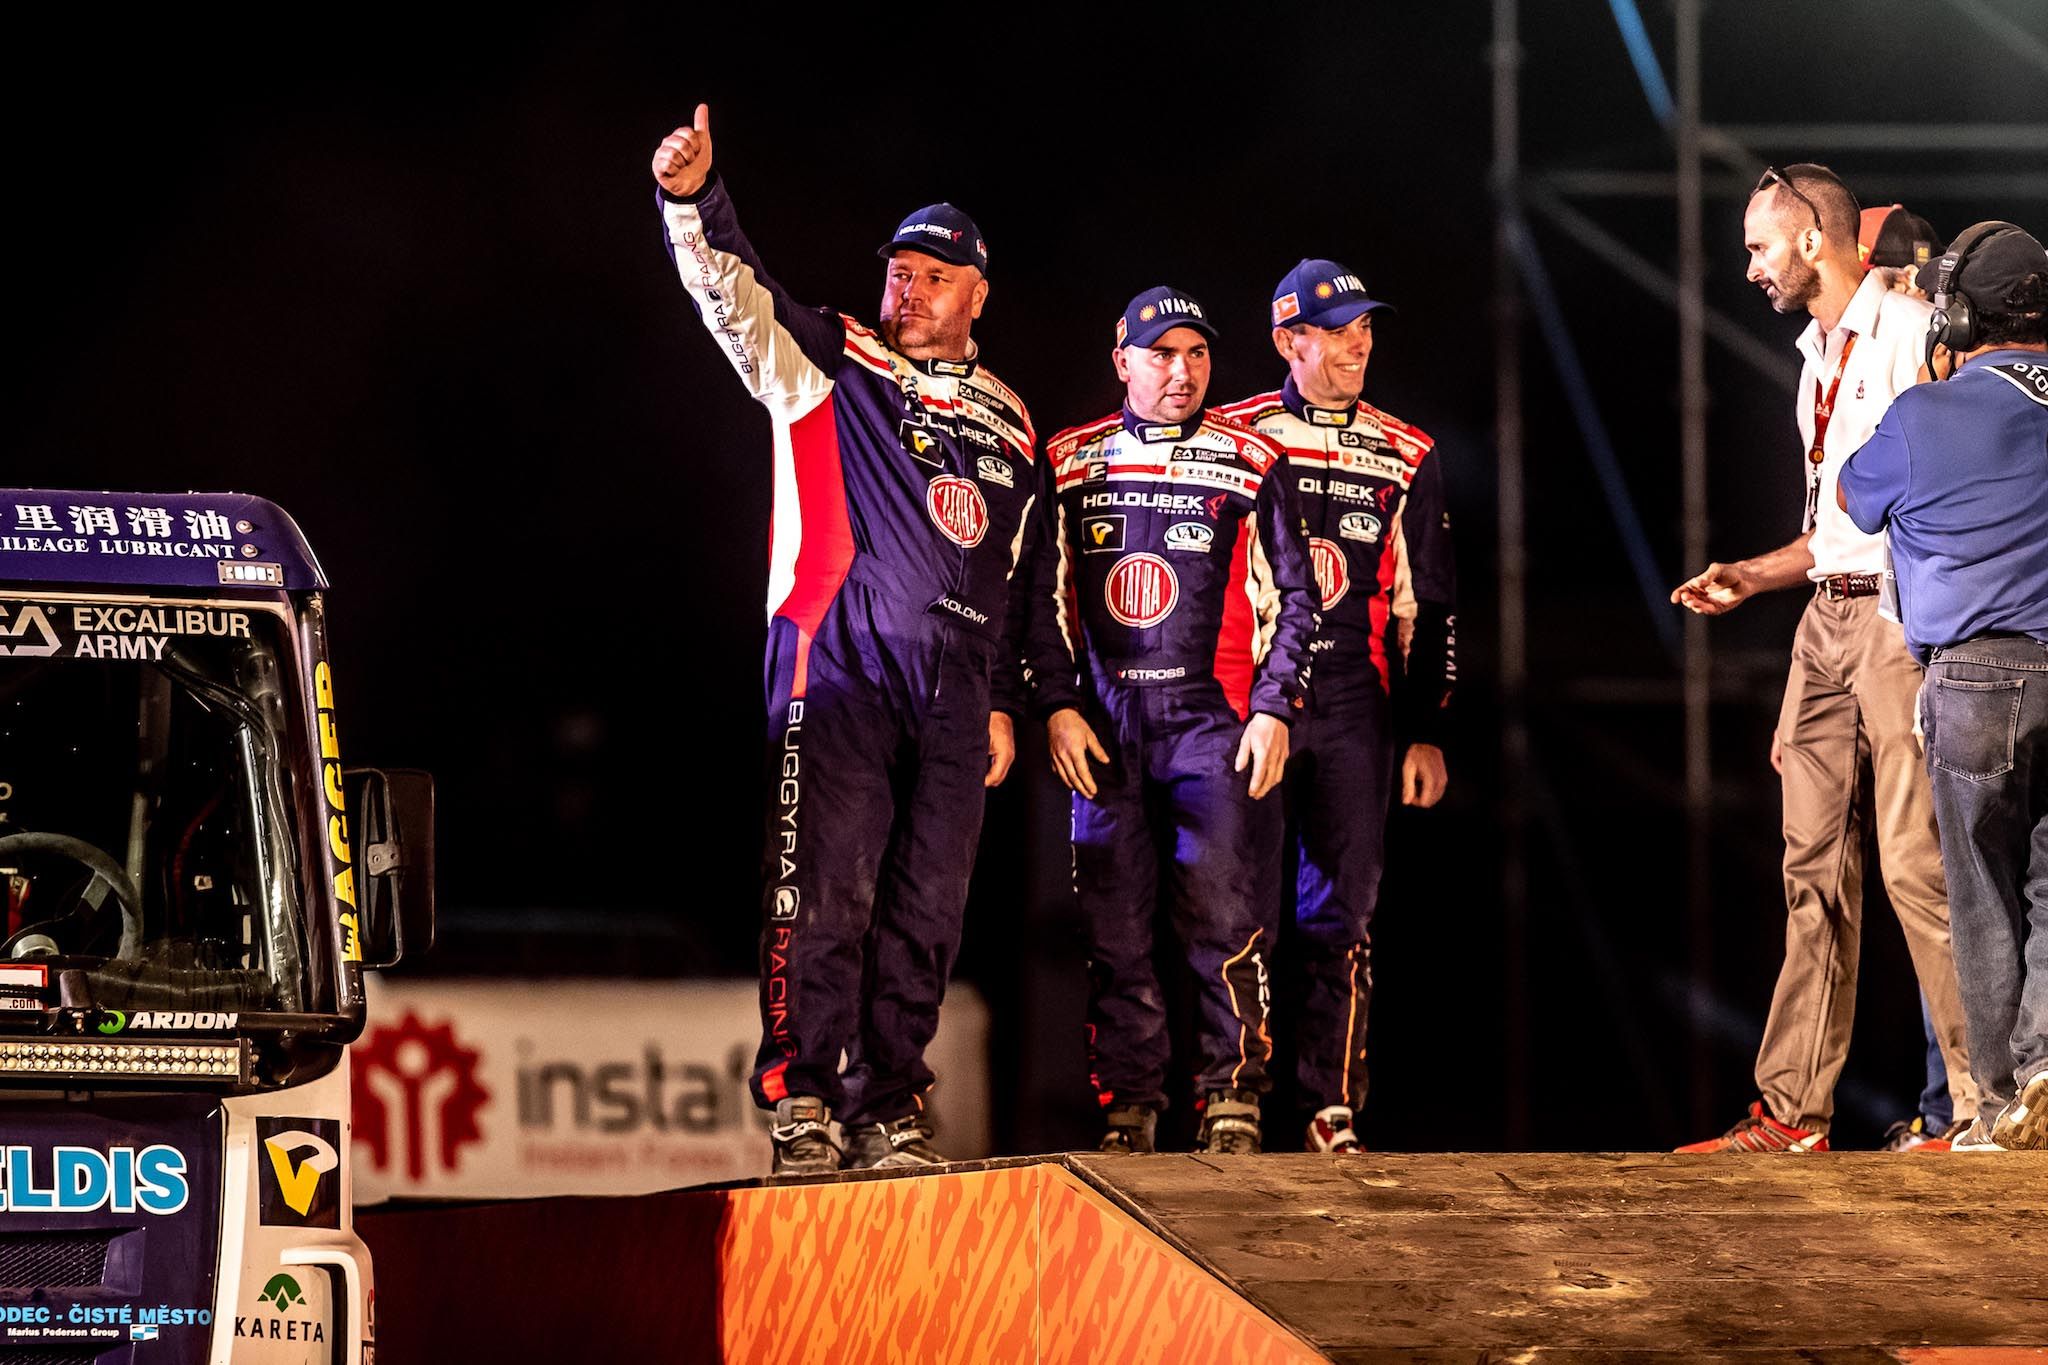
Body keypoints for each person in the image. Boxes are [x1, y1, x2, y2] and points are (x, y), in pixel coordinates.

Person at [652, 106, 1042, 1173]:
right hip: (837, 663)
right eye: (898, 273)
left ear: (977, 294)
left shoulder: (1014, 421)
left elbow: (1014, 574)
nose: (905, 291)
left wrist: (1004, 700)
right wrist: (693, 200)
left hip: (956, 694)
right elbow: (733, 294)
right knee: (826, 886)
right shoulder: (830, 355)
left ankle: (889, 1103)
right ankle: (804, 1098)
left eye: (931, 278)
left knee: (926, 911)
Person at [1670, 164, 1978, 1152]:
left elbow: (1959, 478)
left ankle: (1978, 1106)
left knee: (1915, 866)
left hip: (1894, 618)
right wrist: (1752, 575)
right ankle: (1793, 1110)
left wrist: (1937, 626)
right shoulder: (1815, 356)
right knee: (1809, 871)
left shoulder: (1911, 329)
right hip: (1823, 620)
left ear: (1811, 240)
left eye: (1759, 247)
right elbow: (1832, 529)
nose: (1751, 268)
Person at [1018, 287, 1319, 1155]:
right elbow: (1038, 600)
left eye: (1196, 354)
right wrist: (1057, 705)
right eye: (1162, 354)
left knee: (1226, 916)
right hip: (1105, 726)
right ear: (1123, 363)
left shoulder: (1252, 459)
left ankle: (1233, 1098)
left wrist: (1274, 707)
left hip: (1212, 722)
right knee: (1112, 925)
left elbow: (1298, 599)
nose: (1182, 371)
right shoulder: (1069, 458)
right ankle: (1129, 1106)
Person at [1215, 259, 1455, 1153]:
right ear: (1289, 341)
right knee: (1234, 904)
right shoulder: (1233, 433)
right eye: (1337, 329)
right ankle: (1231, 1098)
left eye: (1366, 327)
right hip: (1250, 692)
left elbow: (1430, 604)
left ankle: (1328, 1105)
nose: (1359, 344)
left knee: (1342, 912)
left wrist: (1425, 730)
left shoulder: (1406, 449)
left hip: (1358, 697)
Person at [1840, 222, 2048, 1152]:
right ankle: (2045, 1063)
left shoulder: (1926, 412)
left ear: (1959, 318)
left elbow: (1854, 498)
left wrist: (1921, 399)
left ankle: (1997, 1101)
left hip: (1972, 680)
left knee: (1980, 894)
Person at [1856, 203, 1963, 1152]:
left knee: (1938, 878)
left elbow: (1863, 501)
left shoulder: (1921, 371)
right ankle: (1948, 1102)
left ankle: (1957, 1104)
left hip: (1939, 648)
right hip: (1936, 640)